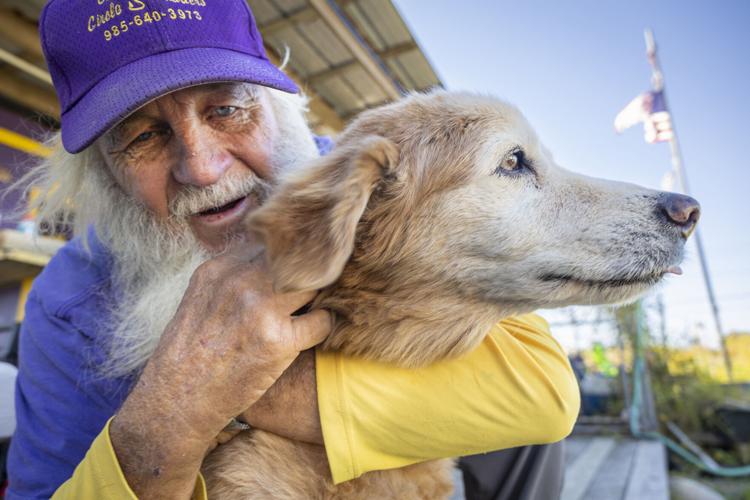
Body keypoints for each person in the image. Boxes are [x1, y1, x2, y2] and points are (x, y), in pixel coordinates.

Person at [5, 0, 579, 498]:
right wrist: (172, 417)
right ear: (101, 175)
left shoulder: (357, 180)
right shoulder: (68, 299)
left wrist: (256, 400)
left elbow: (542, 390)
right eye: (142, 136)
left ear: (279, 104)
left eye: (227, 108)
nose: (202, 169)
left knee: (523, 434)